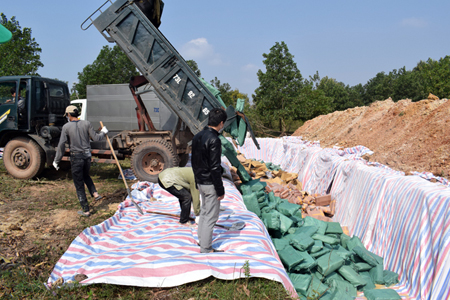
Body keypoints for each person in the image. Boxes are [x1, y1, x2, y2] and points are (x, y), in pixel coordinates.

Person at [53, 105, 108, 217]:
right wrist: (103, 132)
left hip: (76, 157)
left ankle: (86, 210)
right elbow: (96, 138)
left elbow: (62, 145)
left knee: (79, 183)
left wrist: (56, 160)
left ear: (68, 115)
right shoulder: (86, 123)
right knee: (85, 175)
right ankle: (95, 193)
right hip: (87, 155)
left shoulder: (66, 127)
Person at [191, 107, 228, 253]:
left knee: (205, 212)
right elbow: (215, 167)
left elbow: (193, 162)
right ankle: (206, 248)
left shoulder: (197, 136)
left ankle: (202, 241)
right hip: (210, 183)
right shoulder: (214, 140)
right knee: (211, 216)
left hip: (200, 181)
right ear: (221, 123)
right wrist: (220, 189)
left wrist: (196, 180)